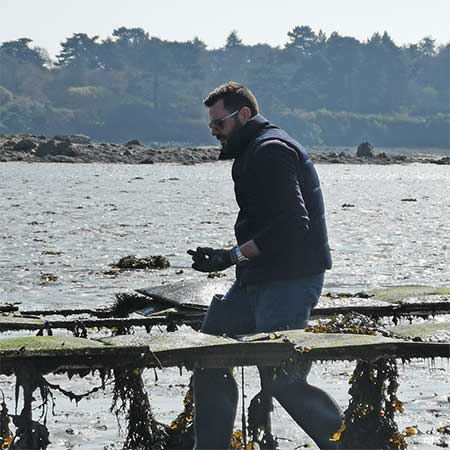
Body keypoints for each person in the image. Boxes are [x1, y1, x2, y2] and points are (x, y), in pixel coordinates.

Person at [188, 82, 342, 450]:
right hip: (257, 281)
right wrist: (231, 257)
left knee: (282, 379)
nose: (215, 133)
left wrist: (232, 256)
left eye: (219, 124)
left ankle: (353, 444)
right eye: (211, 127)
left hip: (290, 281)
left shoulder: (272, 150)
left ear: (243, 115)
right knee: (208, 353)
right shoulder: (252, 151)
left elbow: (292, 224)